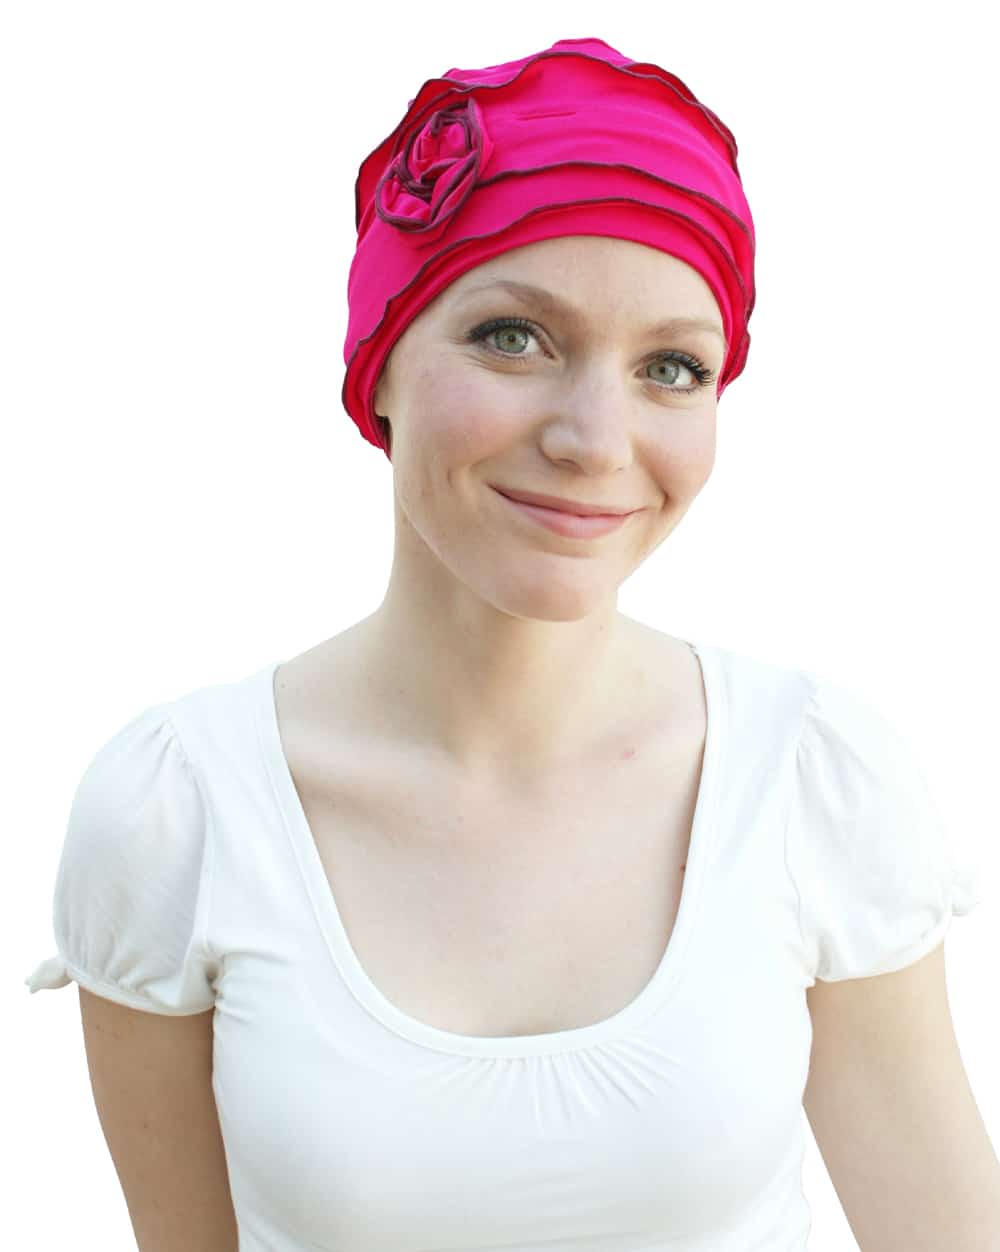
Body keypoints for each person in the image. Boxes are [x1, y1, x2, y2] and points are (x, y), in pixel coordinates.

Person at [25, 35, 991, 1252]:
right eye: (513, 338)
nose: (595, 438)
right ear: (378, 365)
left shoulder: (811, 778)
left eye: (671, 367)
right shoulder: (182, 812)